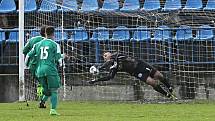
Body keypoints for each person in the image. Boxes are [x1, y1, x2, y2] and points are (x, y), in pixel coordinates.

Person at [88, 52, 177, 100]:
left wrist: (100, 67)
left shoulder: (117, 55)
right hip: (135, 72)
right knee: (152, 82)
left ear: (109, 54)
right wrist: (95, 81)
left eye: (105, 55)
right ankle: (167, 95)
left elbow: (112, 60)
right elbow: (109, 77)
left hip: (140, 64)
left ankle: (169, 88)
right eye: (104, 57)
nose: (105, 56)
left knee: (159, 75)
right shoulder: (113, 68)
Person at [25, 26, 63, 115]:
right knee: (53, 90)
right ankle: (53, 110)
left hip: (39, 70)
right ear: (53, 34)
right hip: (50, 69)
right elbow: (58, 59)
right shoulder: (55, 44)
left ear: (45, 33)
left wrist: (26, 66)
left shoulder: (37, 44)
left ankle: (42, 102)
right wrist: (61, 61)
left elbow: (28, 55)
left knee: (47, 91)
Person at [23, 26, 46, 106]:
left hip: (32, 65)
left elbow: (24, 50)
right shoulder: (48, 41)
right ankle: (41, 100)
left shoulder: (32, 40)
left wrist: (26, 64)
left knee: (40, 82)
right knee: (44, 83)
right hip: (43, 65)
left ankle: (40, 98)